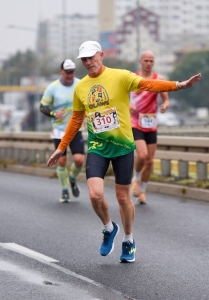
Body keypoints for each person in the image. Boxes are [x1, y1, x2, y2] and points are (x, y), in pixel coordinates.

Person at [47, 41, 201, 263]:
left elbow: (149, 84)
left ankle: (128, 240)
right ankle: (109, 228)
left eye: (91, 57)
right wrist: (62, 147)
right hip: (98, 147)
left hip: (123, 147)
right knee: (94, 194)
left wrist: (179, 85)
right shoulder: (80, 87)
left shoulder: (120, 76)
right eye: (84, 59)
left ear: (101, 55)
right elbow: (76, 119)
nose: (88, 62)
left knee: (122, 197)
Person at [40, 59, 85, 203]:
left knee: (79, 160)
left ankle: (72, 179)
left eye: (72, 72)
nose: (70, 75)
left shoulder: (80, 84)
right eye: (67, 72)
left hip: (75, 129)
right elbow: (43, 107)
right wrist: (53, 114)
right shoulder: (53, 87)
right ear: (61, 72)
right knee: (62, 161)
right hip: (59, 130)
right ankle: (65, 189)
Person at [130, 51, 170, 204]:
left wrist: (165, 106)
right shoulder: (133, 79)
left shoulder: (159, 80)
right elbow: (120, 96)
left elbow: (166, 99)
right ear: (140, 61)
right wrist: (129, 104)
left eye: (151, 61)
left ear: (154, 62)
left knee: (150, 161)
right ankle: (137, 179)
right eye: (146, 60)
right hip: (136, 122)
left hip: (151, 124)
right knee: (142, 155)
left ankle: (142, 191)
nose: (148, 63)